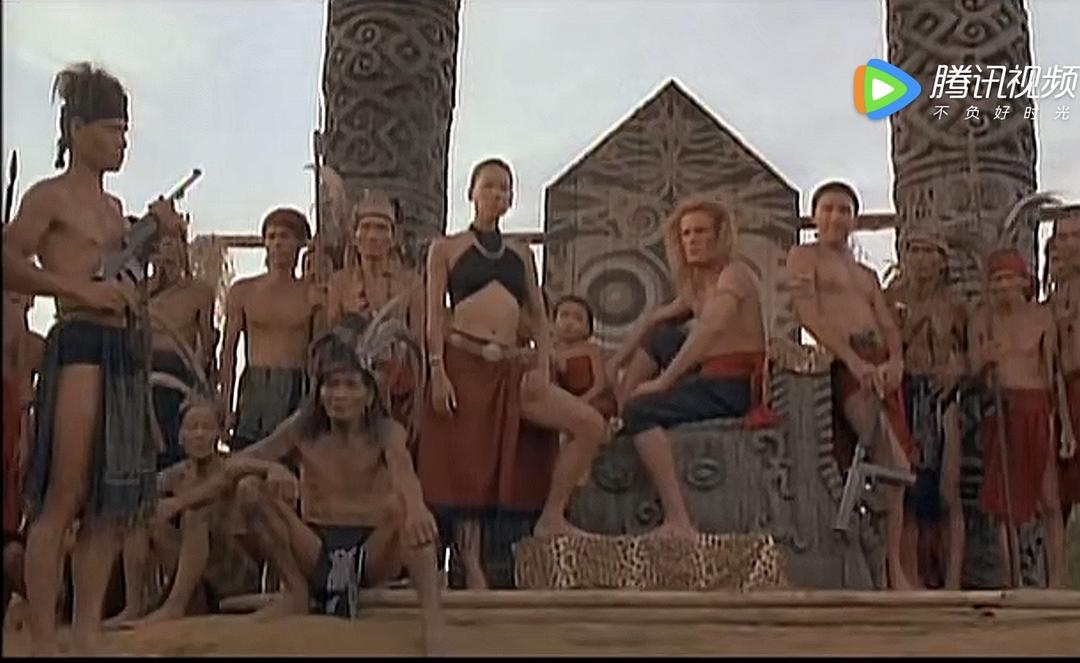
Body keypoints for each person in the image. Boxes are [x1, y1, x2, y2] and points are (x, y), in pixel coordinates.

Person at [0, 62, 186, 653]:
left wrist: (157, 236)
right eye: (110, 129)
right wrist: (76, 289)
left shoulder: (113, 210)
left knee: (110, 501)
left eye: (125, 131)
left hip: (123, 349)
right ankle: (44, 636)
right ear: (77, 129)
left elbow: (128, 282)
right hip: (78, 342)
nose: (121, 141)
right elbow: (9, 259)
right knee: (65, 493)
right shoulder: (47, 196)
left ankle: (85, 633)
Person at [417, 158, 605, 589]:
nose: (497, 195)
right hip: (463, 361)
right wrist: (437, 369)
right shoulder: (445, 249)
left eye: (505, 188)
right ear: (472, 192)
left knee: (589, 424)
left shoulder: (520, 253)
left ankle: (551, 516)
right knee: (467, 465)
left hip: (511, 366)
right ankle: (471, 563)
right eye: (489, 186)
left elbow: (538, 316)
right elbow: (434, 315)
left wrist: (542, 363)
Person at [229, 322, 445, 654]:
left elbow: (404, 473)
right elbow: (234, 463)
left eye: (350, 385)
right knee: (249, 489)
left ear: (368, 395)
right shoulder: (302, 428)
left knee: (405, 509)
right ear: (319, 391)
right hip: (315, 546)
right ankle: (296, 592)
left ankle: (432, 622)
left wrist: (416, 507)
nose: (339, 395)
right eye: (331, 385)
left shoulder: (387, 431)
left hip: (371, 550)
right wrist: (270, 467)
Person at [607, 198, 769, 538]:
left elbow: (708, 332)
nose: (692, 240)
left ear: (719, 236)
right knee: (663, 337)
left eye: (701, 232)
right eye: (686, 234)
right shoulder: (697, 286)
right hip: (707, 377)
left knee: (641, 409)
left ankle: (678, 519)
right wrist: (616, 363)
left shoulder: (734, 275)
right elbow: (654, 321)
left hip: (732, 385)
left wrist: (664, 382)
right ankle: (619, 412)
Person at [785, 180, 916, 590]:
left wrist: (896, 360)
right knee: (892, 465)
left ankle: (888, 565)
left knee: (894, 470)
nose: (836, 217)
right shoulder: (804, 257)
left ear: (854, 219)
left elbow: (886, 322)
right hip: (846, 365)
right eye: (828, 209)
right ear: (815, 216)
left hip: (880, 366)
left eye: (844, 210)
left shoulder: (866, 274)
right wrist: (853, 362)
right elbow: (808, 313)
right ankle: (891, 569)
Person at [115, 394, 288, 625]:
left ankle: (174, 606)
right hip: (197, 580)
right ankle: (134, 605)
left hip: (235, 577)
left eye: (206, 428)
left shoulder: (231, 465)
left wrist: (276, 472)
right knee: (142, 519)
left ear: (218, 433)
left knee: (196, 514)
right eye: (192, 428)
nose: (199, 435)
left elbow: (259, 467)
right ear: (181, 435)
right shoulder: (177, 474)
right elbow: (137, 497)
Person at [970, 248, 1069, 588]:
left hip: (1039, 408)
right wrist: (983, 360)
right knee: (1004, 503)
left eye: (1008, 279)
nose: (1002, 287)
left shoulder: (1043, 318)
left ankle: (1056, 582)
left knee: (1050, 498)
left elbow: (1053, 374)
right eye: (996, 280)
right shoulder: (982, 320)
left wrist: (1065, 428)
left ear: (1023, 281)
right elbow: (972, 373)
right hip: (1003, 408)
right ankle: (1013, 580)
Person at [886, 231, 967, 588]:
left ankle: (952, 581)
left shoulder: (954, 306)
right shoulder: (891, 299)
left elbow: (971, 355)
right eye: (914, 250)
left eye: (928, 251)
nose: (920, 259)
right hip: (904, 393)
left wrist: (959, 369)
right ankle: (910, 577)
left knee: (949, 492)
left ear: (942, 260)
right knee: (906, 491)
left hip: (940, 398)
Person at [325, 191, 424, 431]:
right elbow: (332, 339)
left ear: (393, 237)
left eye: (381, 228)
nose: (373, 236)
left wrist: (420, 396)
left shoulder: (411, 283)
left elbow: (418, 341)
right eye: (366, 227)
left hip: (400, 387)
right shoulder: (339, 283)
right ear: (355, 235)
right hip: (352, 391)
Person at [219, 207, 315, 450]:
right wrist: (225, 405)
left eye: (284, 236)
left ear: (299, 243)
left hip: (295, 385)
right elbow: (228, 352)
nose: (277, 243)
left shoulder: (311, 294)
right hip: (254, 387)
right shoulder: (243, 291)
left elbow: (319, 354)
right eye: (271, 236)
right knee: (246, 458)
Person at [148, 229, 215, 467]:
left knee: (176, 448)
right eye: (162, 243)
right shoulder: (140, 291)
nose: (168, 249)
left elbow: (207, 343)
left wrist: (203, 382)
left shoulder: (200, 292)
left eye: (173, 243)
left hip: (179, 376)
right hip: (141, 374)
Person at [1046, 217, 1080, 527]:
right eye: (1063, 237)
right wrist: (1065, 421)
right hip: (1065, 393)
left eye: (1076, 236)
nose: (1070, 245)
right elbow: (1054, 364)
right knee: (1062, 491)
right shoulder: (1053, 303)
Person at [551, 295, 617, 422]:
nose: (569, 322)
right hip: (559, 405)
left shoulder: (592, 350)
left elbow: (600, 384)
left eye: (578, 318)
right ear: (553, 322)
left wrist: (579, 403)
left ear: (587, 329)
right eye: (564, 315)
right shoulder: (549, 351)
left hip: (591, 402)